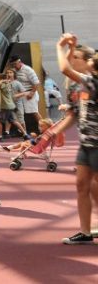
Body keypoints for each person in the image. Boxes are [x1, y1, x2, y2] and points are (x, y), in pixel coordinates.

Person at [54, 33, 98, 244]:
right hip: (86, 142)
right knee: (82, 185)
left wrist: (59, 47)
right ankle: (86, 232)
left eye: (84, 58)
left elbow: (64, 67)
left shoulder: (93, 83)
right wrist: (55, 131)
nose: (75, 60)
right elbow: (74, 113)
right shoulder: (82, 86)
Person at [13, 58, 44, 133]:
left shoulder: (28, 70)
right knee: (19, 113)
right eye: (12, 64)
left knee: (34, 112)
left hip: (29, 92)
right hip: (20, 94)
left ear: (19, 62)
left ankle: (45, 128)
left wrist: (32, 93)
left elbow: (36, 82)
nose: (14, 65)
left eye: (15, 63)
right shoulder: (14, 70)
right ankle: (23, 132)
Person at [0, 70, 27, 139]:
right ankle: (25, 134)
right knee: (13, 121)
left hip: (7, 106)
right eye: (7, 73)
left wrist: (2, 81)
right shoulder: (8, 84)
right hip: (11, 105)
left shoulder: (3, 84)